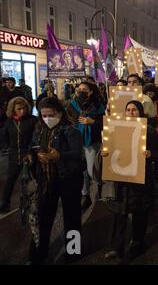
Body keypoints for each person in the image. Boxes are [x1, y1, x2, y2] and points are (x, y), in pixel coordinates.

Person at [102, 101, 158, 263]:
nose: (130, 112)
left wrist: (151, 154)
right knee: (119, 214)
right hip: (120, 182)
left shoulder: (149, 131)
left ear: (141, 113)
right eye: (128, 109)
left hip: (140, 181)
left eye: (134, 110)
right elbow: (109, 151)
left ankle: (137, 243)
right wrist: (104, 154)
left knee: (139, 214)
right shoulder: (115, 128)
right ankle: (116, 246)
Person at [27, 97, 83, 264]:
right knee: (43, 218)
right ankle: (38, 253)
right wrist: (32, 156)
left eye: (50, 114)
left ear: (59, 113)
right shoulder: (39, 130)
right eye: (43, 115)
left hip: (69, 179)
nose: (46, 119)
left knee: (72, 217)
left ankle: (73, 251)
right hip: (47, 180)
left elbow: (76, 154)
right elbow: (33, 147)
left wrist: (59, 156)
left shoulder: (71, 131)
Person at [67, 82, 105, 211]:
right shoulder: (72, 105)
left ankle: (100, 188)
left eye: (85, 89)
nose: (81, 91)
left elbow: (105, 121)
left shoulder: (98, 105)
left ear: (91, 91)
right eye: (80, 89)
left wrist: (93, 121)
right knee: (81, 171)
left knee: (92, 169)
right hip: (76, 142)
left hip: (92, 141)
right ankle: (85, 195)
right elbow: (68, 120)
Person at [0, 97, 37, 213]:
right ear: (13, 109)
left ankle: (40, 202)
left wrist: (30, 152)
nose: (22, 111)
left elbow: (35, 139)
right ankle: (5, 204)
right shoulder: (9, 122)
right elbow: (4, 138)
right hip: (14, 156)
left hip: (30, 155)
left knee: (36, 180)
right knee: (9, 181)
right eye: (19, 109)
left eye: (24, 108)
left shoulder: (33, 120)